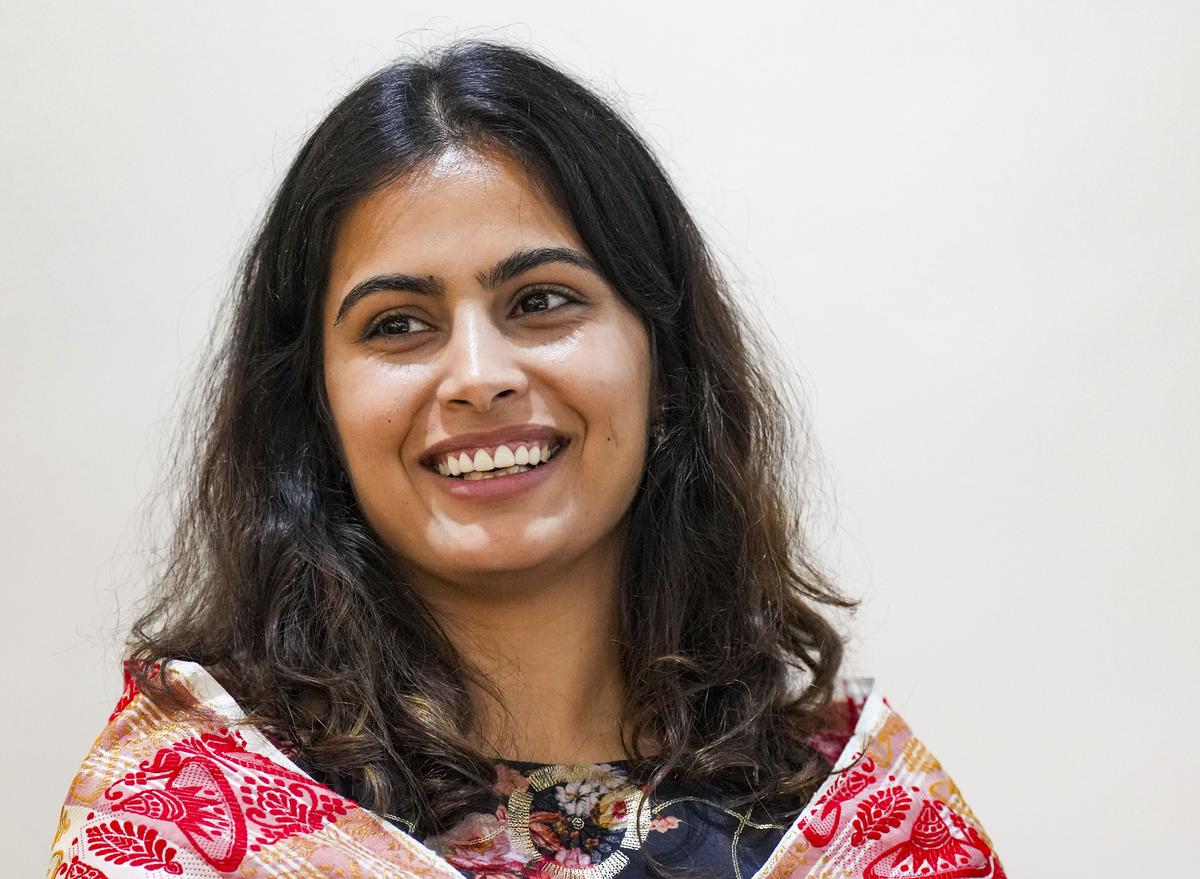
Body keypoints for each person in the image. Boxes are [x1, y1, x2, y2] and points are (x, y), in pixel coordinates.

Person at [47, 39, 1005, 879]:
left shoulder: (871, 831)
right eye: (398, 324)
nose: (477, 376)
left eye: (542, 301)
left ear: (663, 362)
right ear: (315, 409)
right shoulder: (184, 828)